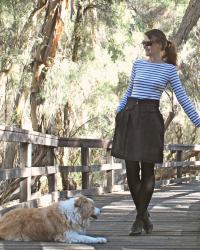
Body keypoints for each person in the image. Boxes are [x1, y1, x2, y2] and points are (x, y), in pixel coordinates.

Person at [111, 29, 200, 236]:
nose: (146, 46)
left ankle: (138, 219)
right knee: (131, 170)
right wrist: (119, 113)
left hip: (150, 118)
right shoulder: (138, 64)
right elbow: (129, 89)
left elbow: (183, 99)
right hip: (131, 115)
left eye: (148, 43)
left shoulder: (169, 71)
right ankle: (144, 216)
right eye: (144, 44)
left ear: (160, 44)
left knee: (147, 169)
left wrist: (198, 121)